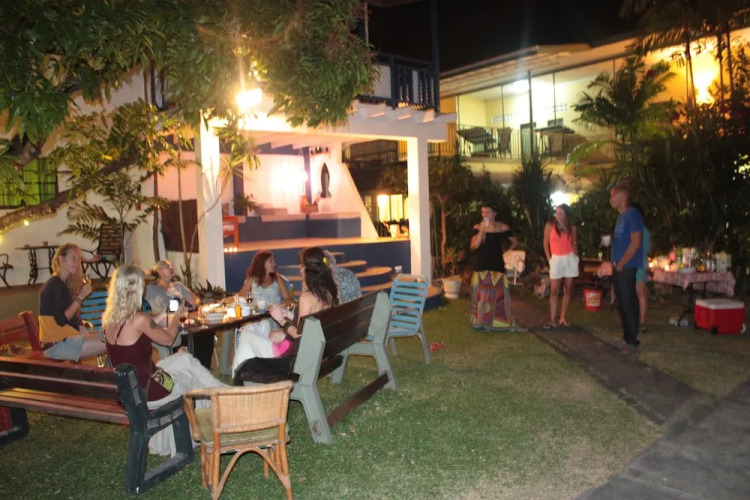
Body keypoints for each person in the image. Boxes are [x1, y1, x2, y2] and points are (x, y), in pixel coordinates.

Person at [102, 264, 225, 456]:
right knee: (193, 374)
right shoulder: (139, 319)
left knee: (184, 358)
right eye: (142, 285)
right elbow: (168, 340)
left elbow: (144, 328)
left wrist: (166, 313)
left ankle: (221, 392)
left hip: (130, 391)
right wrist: (176, 318)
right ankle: (215, 411)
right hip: (152, 390)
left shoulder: (108, 320)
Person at [233, 247, 338, 374]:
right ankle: (242, 375)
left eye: (302, 266)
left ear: (308, 270)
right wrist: (289, 314)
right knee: (253, 339)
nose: (300, 270)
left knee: (246, 337)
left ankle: (238, 376)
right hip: (307, 351)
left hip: (290, 355)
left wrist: (281, 320)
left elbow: (299, 335)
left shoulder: (307, 298)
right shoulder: (327, 294)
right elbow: (308, 324)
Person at [38, 243, 107, 361]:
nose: (77, 262)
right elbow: (61, 320)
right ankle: (113, 372)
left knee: (110, 336)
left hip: (67, 339)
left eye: (79, 259)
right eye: (73, 258)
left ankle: (110, 371)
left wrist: (81, 327)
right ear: (61, 259)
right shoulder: (54, 285)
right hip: (57, 345)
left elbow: (70, 317)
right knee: (111, 342)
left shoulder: (62, 283)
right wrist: (81, 296)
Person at [469, 203, 519, 330]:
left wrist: (506, 251)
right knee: (482, 293)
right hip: (482, 263)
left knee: (498, 293)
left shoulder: (502, 227)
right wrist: (482, 230)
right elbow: (474, 246)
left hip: (496, 263)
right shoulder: (478, 227)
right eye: (483, 212)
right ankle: (481, 321)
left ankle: (497, 321)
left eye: (488, 212)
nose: (485, 215)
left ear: (494, 213)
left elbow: (515, 241)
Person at [610, 183, 644, 354]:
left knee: (629, 302)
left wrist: (622, 263)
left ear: (622, 197)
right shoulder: (620, 217)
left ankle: (632, 341)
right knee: (622, 302)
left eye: (612, 196)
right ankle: (626, 337)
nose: (610, 200)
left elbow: (636, 242)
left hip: (627, 266)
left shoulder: (632, 215)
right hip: (619, 265)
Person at [542, 204, 579, 328]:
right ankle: (552, 319)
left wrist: (576, 259)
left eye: (561, 213)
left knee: (568, 289)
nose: (558, 215)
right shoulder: (550, 225)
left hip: (570, 258)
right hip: (556, 259)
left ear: (566, 214)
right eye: (557, 212)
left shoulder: (571, 227)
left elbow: (574, 243)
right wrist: (549, 259)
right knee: (554, 290)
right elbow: (545, 243)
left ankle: (562, 317)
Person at [631, 203, 651, 333]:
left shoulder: (636, 230)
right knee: (641, 294)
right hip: (640, 263)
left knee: (640, 293)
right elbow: (648, 248)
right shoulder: (645, 230)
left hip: (636, 264)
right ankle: (640, 322)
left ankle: (642, 322)